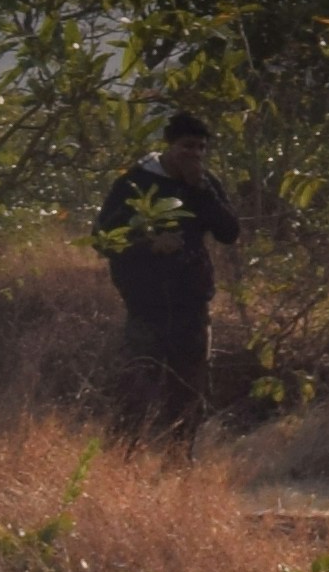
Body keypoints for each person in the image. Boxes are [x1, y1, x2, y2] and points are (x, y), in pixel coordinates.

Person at [96, 111, 244, 424]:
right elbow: (103, 239)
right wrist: (149, 243)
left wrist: (200, 188)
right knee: (137, 389)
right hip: (145, 304)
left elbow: (229, 232)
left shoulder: (204, 183)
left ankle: (178, 462)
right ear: (169, 145)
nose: (195, 154)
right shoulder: (134, 182)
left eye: (202, 148)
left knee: (189, 392)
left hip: (191, 302)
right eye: (188, 146)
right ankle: (126, 462)